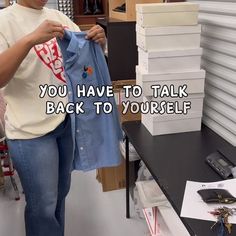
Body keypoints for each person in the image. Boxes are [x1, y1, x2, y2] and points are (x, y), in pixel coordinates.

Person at [0, 0, 106, 235]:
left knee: (59, 195)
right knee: (43, 206)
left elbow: (83, 52)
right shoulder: (4, 21)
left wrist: (99, 40)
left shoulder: (57, 16)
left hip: (64, 123)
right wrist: (29, 40)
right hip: (30, 133)